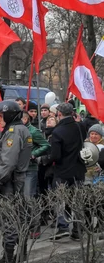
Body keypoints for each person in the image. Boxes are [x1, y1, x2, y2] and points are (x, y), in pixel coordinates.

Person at [0, 100, 32, 263]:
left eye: (1, 115)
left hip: (10, 180)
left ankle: (8, 256)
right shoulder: (21, 129)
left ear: (9, 114)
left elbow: (9, 160)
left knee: (8, 218)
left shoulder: (13, 132)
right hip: (17, 178)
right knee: (19, 216)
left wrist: (0, 181)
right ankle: (21, 253)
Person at [49, 102, 86, 240]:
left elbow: (56, 156)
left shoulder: (58, 131)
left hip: (62, 171)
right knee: (77, 200)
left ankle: (62, 226)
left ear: (59, 114)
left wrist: (46, 160)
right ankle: (78, 230)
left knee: (59, 199)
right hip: (78, 169)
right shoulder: (80, 127)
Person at [20, 111, 50, 199]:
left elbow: (46, 145)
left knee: (28, 196)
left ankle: (33, 213)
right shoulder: (16, 130)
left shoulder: (33, 131)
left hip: (30, 167)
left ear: (25, 119)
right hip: (18, 168)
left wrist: (34, 154)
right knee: (19, 197)